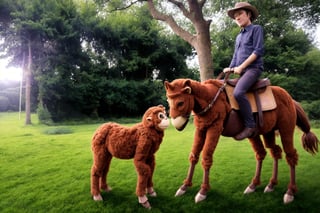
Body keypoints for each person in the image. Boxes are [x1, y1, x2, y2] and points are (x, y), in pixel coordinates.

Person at [223, 2, 264, 140]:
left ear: (249, 14)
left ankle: (250, 126)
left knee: (238, 92)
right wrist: (229, 69)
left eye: (240, 14)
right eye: (235, 16)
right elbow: (235, 56)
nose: (237, 18)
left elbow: (258, 51)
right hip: (241, 71)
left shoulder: (256, 29)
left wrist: (241, 67)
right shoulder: (239, 36)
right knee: (220, 85)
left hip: (253, 69)